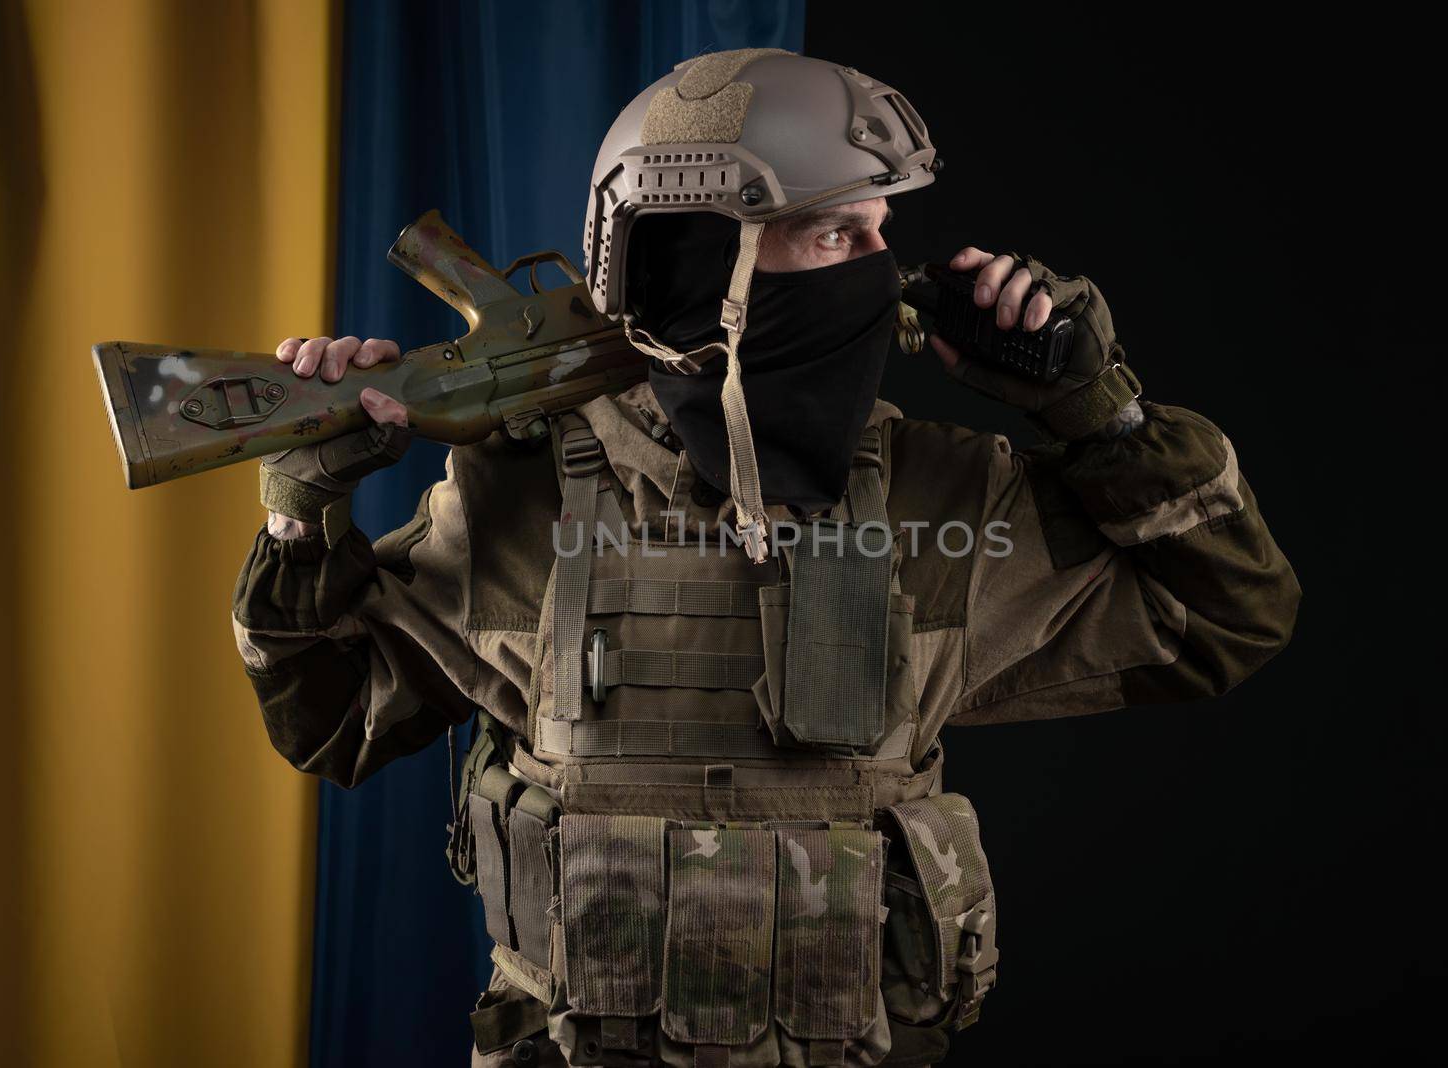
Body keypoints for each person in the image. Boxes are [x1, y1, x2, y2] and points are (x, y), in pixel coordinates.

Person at [235, 50, 1300, 1067]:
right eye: (834, 236)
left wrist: (1101, 420)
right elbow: (332, 718)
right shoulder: (518, 495)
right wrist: (300, 512)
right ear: (695, 258)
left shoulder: (945, 498)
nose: (883, 278)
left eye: (882, 230)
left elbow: (1224, 618)